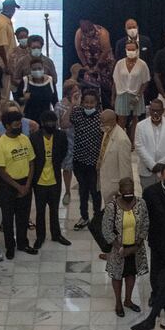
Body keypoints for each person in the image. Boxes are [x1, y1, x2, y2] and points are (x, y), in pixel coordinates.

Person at [101, 177, 149, 318]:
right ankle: (118, 303)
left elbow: (145, 223)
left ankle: (128, 300)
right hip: (118, 249)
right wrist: (119, 247)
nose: (129, 194)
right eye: (126, 192)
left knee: (130, 273)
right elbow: (106, 229)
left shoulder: (141, 203)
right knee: (117, 275)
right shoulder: (112, 207)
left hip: (135, 247)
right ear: (120, 191)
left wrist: (137, 244)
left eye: (131, 191)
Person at [0, 113, 36, 256]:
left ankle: (23, 244)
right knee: (8, 219)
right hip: (7, 185)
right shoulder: (1, 143)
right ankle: (10, 247)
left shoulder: (25, 139)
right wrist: (18, 187)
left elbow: (31, 162)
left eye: (20, 124)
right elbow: (0, 170)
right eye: (16, 125)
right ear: (7, 126)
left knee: (23, 216)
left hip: (25, 182)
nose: (19, 127)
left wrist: (27, 185)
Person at [30, 112, 70, 251]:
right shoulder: (34, 138)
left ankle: (56, 235)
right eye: (49, 122)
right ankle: (40, 237)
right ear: (42, 123)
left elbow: (64, 151)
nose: (51, 125)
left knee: (54, 210)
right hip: (39, 181)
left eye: (54, 122)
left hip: (55, 179)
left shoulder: (61, 136)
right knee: (40, 211)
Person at [69, 89, 104, 229]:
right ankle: (84, 217)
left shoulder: (101, 117)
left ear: (96, 103)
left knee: (95, 191)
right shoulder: (77, 113)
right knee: (82, 190)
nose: (89, 105)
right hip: (79, 159)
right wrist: (73, 105)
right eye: (86, 102)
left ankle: (97, 217)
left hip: (94, 162)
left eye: (92, 102)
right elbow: (65, 123)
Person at [95, 108, 135, 216]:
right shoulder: (108, 132)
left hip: (116, 187)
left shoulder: (122, 140)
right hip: (107, 183)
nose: (102, 125)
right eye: (101, 122)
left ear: (113, 121)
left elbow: (125, 168)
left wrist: (123, 191)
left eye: (104, 122)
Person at [134, 98, 165, 190]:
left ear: (163, 110)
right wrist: (151, 165)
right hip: (146, 170)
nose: (155, 113)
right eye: (153, 110)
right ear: (149, 110)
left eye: (158, 111)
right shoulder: (140, 126)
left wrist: (161, 165)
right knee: (148, 198)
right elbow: (139, 146)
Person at [112, 39, 151, 133]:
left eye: (133, 49)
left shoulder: (142, 64)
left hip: (136, 95)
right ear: (125, 50)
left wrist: (138, 95)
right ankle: (121, 143)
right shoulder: (119, 63)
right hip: (122, 94)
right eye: (128, 49)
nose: (131, 51)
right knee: (121, 121)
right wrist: (113, 97)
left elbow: (145, 81)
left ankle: (133, 143)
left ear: (137, 50)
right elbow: (115, 81)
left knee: (135, 121)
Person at [74, 18, 115, 100]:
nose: (89, 34)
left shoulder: (102, 33)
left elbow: (106, 51)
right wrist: (85, 64)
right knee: (90, 86)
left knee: (106, 88)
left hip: (104, 62)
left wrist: (97, 66)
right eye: (86, 33)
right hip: (89, 63)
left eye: (91, 31)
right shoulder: (79, 33)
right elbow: (79, 50)